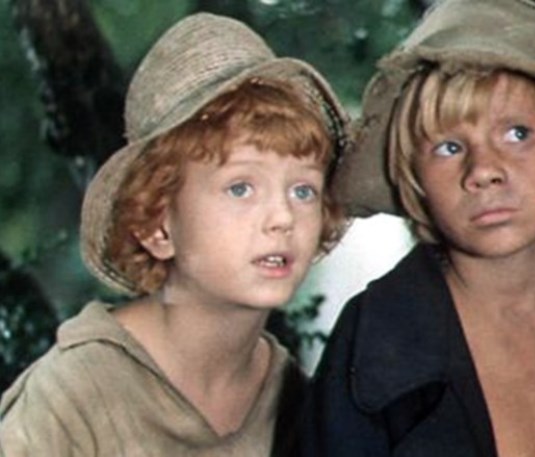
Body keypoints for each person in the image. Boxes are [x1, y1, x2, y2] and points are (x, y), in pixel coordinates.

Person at [300, 0, 535, 456]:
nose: (483, 170)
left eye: (517, 133)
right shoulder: (375, 335)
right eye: (448, 147)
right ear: (416, 182)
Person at [0, 12, 348, 457]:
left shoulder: (296, 399)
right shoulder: (71, 397)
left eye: (303, 190)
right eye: (241, 188)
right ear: (156, 226)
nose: (283, 217)